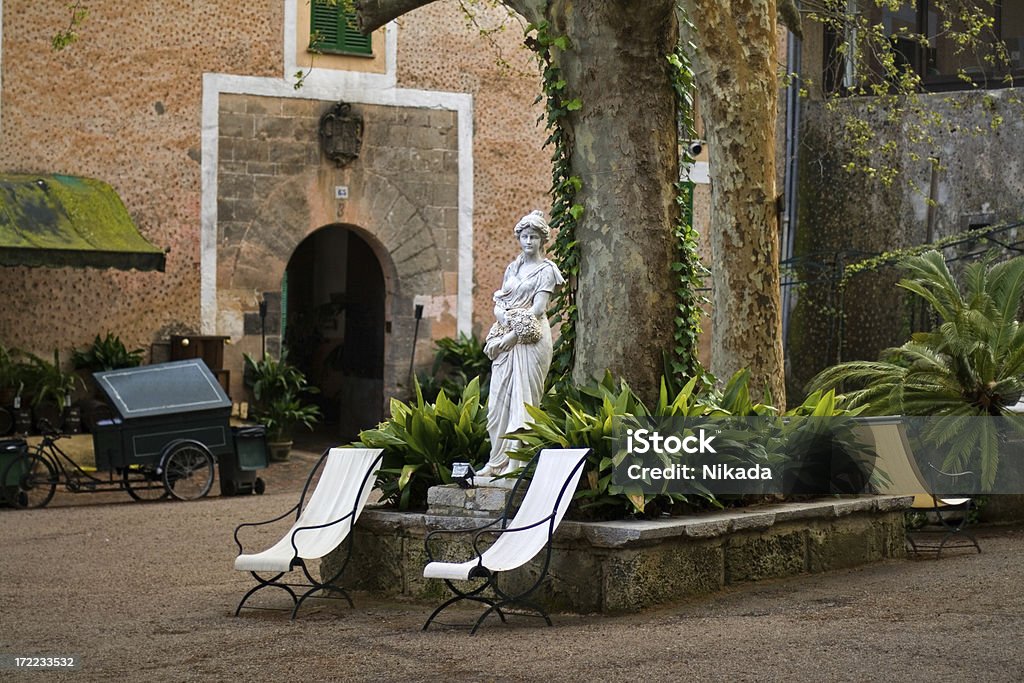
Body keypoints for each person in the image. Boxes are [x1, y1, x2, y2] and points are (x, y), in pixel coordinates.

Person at [476, 210, 565, 478]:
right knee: (497, 406)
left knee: (523, 403)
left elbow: (537, 310)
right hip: (507, 334)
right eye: (525, 236)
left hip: (530, 339)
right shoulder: (512, 267)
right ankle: (496, 461)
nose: (528, 242)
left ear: (542, 240)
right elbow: (501, 300)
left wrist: (508, 338)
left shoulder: (547, 271)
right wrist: (501, 318)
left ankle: (517, 464)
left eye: (534, 237)